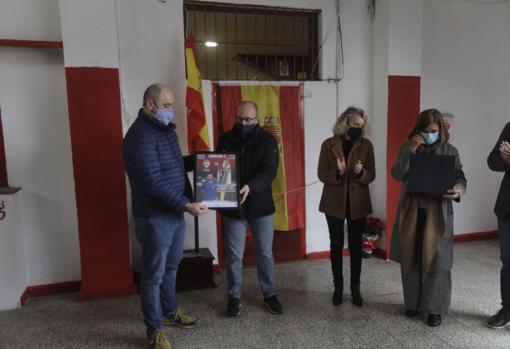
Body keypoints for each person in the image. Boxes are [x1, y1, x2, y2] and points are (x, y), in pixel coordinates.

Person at [123, 83, 210, 349]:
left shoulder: (166, 131)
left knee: (172, 267)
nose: (171, 112)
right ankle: (154, 329)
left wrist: (204, 161)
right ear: (150, 104)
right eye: (167, 106)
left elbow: (173, 165)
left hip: (173, 213)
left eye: (172, 105)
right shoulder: (139, 137)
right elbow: (152, 181)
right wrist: (186, 205)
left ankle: (171, 312)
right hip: (155, 217)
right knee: (153, 275)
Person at [390, 108, 466, 327]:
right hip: (412, 209)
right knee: (411, 255)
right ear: (418, 130)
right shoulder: (408, 147)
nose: (429, 134)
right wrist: (412, 149)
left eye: (433, 130)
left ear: (441, 129)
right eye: (425, 131)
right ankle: (413, 304)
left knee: (437, 260)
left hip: (438, 210)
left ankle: (435, 309)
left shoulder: (450, 151)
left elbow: (460, 177)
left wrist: (458, 190)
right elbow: (397, 173)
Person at [216, 100, 282, 317]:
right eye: (240, 119)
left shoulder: (267, 139)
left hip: (260, 205)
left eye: (249, 120)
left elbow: (270, 171)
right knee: (234, 255)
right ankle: (234, 296)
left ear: (257, 119)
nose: (244, 123)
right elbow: (218, 169)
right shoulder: (225, 138)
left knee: (265, 253)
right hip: (234, 207)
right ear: (236, 117)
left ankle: (269, 294)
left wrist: (250, 186)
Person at [317, 106, 375, 307]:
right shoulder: (328, 144)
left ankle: (355, 288)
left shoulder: (367, 145)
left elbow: (372, 175)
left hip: (358, 203)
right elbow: (321, 174)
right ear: (345, 123)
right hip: (334, 202)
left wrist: (361, 173)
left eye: (361, 125)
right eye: (355, 124)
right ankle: (338, 287)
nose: (358, 128)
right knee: (336, 244)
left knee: (356, 247)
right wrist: (338, 172)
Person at [486, 123, 510, 329]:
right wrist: (505, 160)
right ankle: (507, 310)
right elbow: (492, 161)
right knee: (508, 262)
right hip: (507, 207)